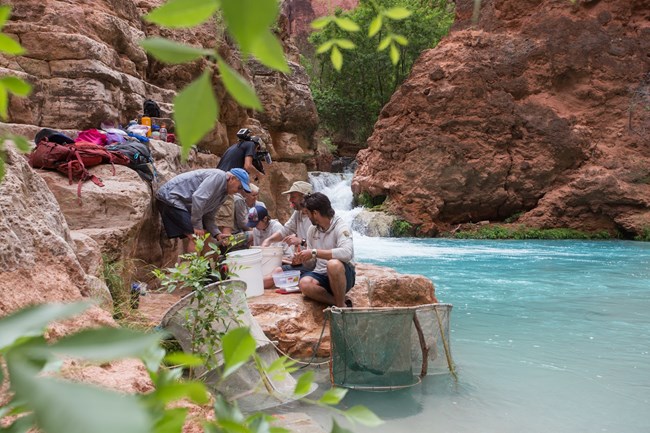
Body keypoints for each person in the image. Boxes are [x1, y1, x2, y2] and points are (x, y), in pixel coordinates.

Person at [156, 168, 251, 253]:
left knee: (204, 234)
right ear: (232, 178)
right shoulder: (218, 176)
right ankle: (194, 270)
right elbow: (198, 198)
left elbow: (209, 215)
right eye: (240, 187)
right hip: (169, 197)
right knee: (196, 237)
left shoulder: (224, 194)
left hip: (180, 203)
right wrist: (197, 225)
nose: (239, 191)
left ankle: (204, 268)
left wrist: (217, 233)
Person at [293, 192, 355, 307]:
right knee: (304, 284)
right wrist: (303, 259)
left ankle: (340, 305)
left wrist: (314, 252)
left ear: (315, 213)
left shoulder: (341, 227)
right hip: (321, 274)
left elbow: (347, 253)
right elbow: (311, 265)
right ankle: (341, 304)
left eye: (308, 213)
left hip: (343, 275)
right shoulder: (312, 230)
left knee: (333, 264)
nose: (307, 217)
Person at [216, 128, 267, 237]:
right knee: (226, 226)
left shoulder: (233, 148)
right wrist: (258, 174)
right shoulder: (250, 145)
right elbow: (247, 166)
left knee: (215, 227)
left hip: (217, 183)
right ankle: (227, 251)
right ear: (257, 146)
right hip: (225, 186)